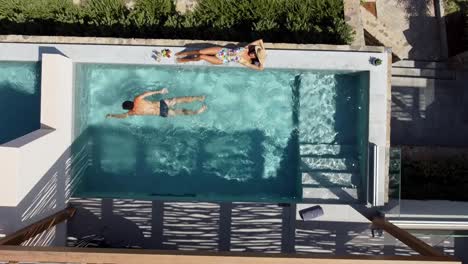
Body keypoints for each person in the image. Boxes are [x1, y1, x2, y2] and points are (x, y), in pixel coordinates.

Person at [106, 88, 207, 119]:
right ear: (131, 101)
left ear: (128, 109)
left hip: (162, 113)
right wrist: (160, 91)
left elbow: (123, 116)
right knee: (180, 100)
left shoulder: (133, 112)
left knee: (181, 112)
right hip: (161, 104)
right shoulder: (137, 99)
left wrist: (112, 115)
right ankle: (199, 98)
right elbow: (148, 93)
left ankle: (197, 112)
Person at [175, 39, 266, 71]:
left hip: (221, 60)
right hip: (221, 51)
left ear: (256, 58)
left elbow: (260, 68)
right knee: (200, 51)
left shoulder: (247, 62)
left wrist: (261, 60)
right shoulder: (247, 48)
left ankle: (186, 60)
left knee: (201, 57)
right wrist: (263, 49)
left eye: (255, 55)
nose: (253, 54)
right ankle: (184, 53)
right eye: (255, 52)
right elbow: (260, 40)